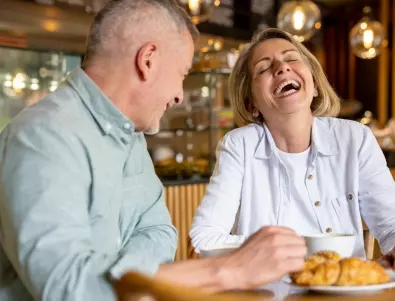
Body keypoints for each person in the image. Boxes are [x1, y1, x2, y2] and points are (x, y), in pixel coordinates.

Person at [0, 2, 307, 300]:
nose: (178, 96)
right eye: (182, 74)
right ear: (148, 60)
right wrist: (226, 271)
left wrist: (117, 278)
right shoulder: (44, 134)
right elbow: (68, 286)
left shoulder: (131, 136)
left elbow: (160, 232)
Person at [190, 28, 395, 268]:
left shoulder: (355, 138)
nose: (282, 68)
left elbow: (391, 223)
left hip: (344, 290)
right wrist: (279, 250)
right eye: (264, 68)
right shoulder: (239, 146)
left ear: (315, 84)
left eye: (291, 58)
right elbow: (202, 240)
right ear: (251, 103)